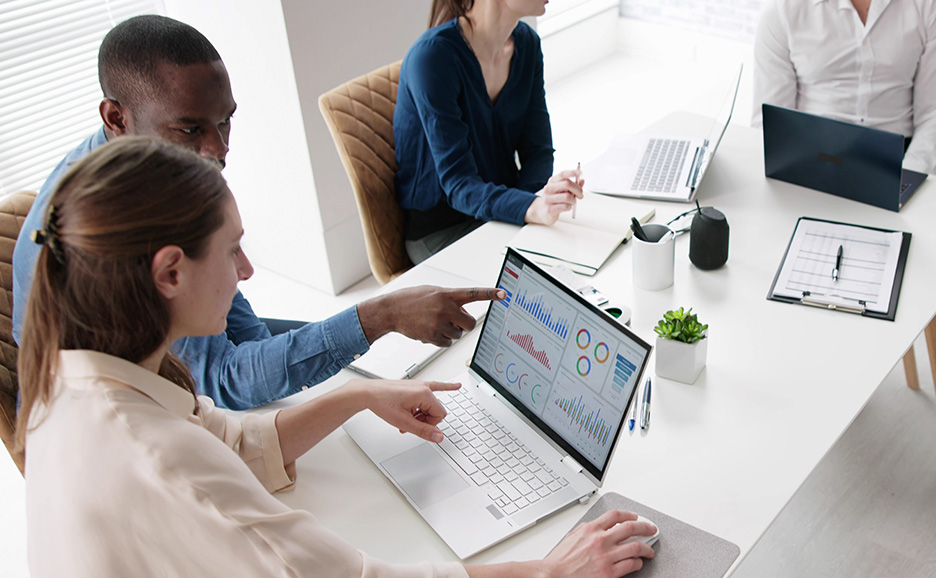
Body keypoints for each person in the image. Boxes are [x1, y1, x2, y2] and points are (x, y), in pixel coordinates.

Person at [17, 136, 657, 577]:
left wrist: (358, 396)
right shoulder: (152, 455)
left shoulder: (70, 377)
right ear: (169, 273)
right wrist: (550, 570)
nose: (244, 272)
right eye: (233, 250)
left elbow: (224, 440)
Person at [13, 15, 503, 410]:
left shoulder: (146, 164)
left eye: (225, 122)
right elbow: (227, 381)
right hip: (119, 426)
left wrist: (375, 328)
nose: (217, 150)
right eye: (190, 130)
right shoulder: (127, 224)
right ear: (115, 117)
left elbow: (238, 333)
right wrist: (380, 316)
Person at [394, 0, 584, 264]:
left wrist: (538, 203)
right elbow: (460, 185)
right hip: (444, 231)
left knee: (579, 265)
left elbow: (538, 151)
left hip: (503, 215)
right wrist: (530, 208)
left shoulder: (527, 45)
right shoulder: (432, 58)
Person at [752, 0, 936, 174]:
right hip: (810, 160)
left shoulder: (926, 7)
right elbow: (770, 122)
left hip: (898, 161)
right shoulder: (783, 11)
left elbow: (932, 114)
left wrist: (909, 175)